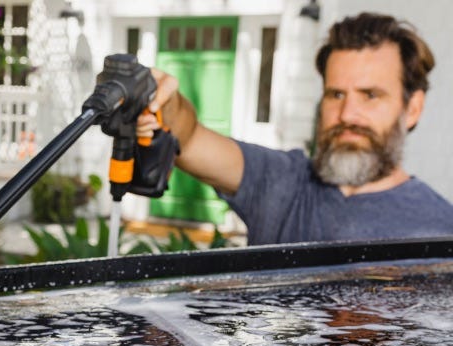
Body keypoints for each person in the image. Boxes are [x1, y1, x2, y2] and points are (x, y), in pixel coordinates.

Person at [138, 12, 453, 245]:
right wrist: (159, 97)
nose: (347, 114)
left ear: (412, 108)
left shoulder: (441, 229)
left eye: (370, 95)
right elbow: (189, 138)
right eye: (336, 94)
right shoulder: (283, 182)